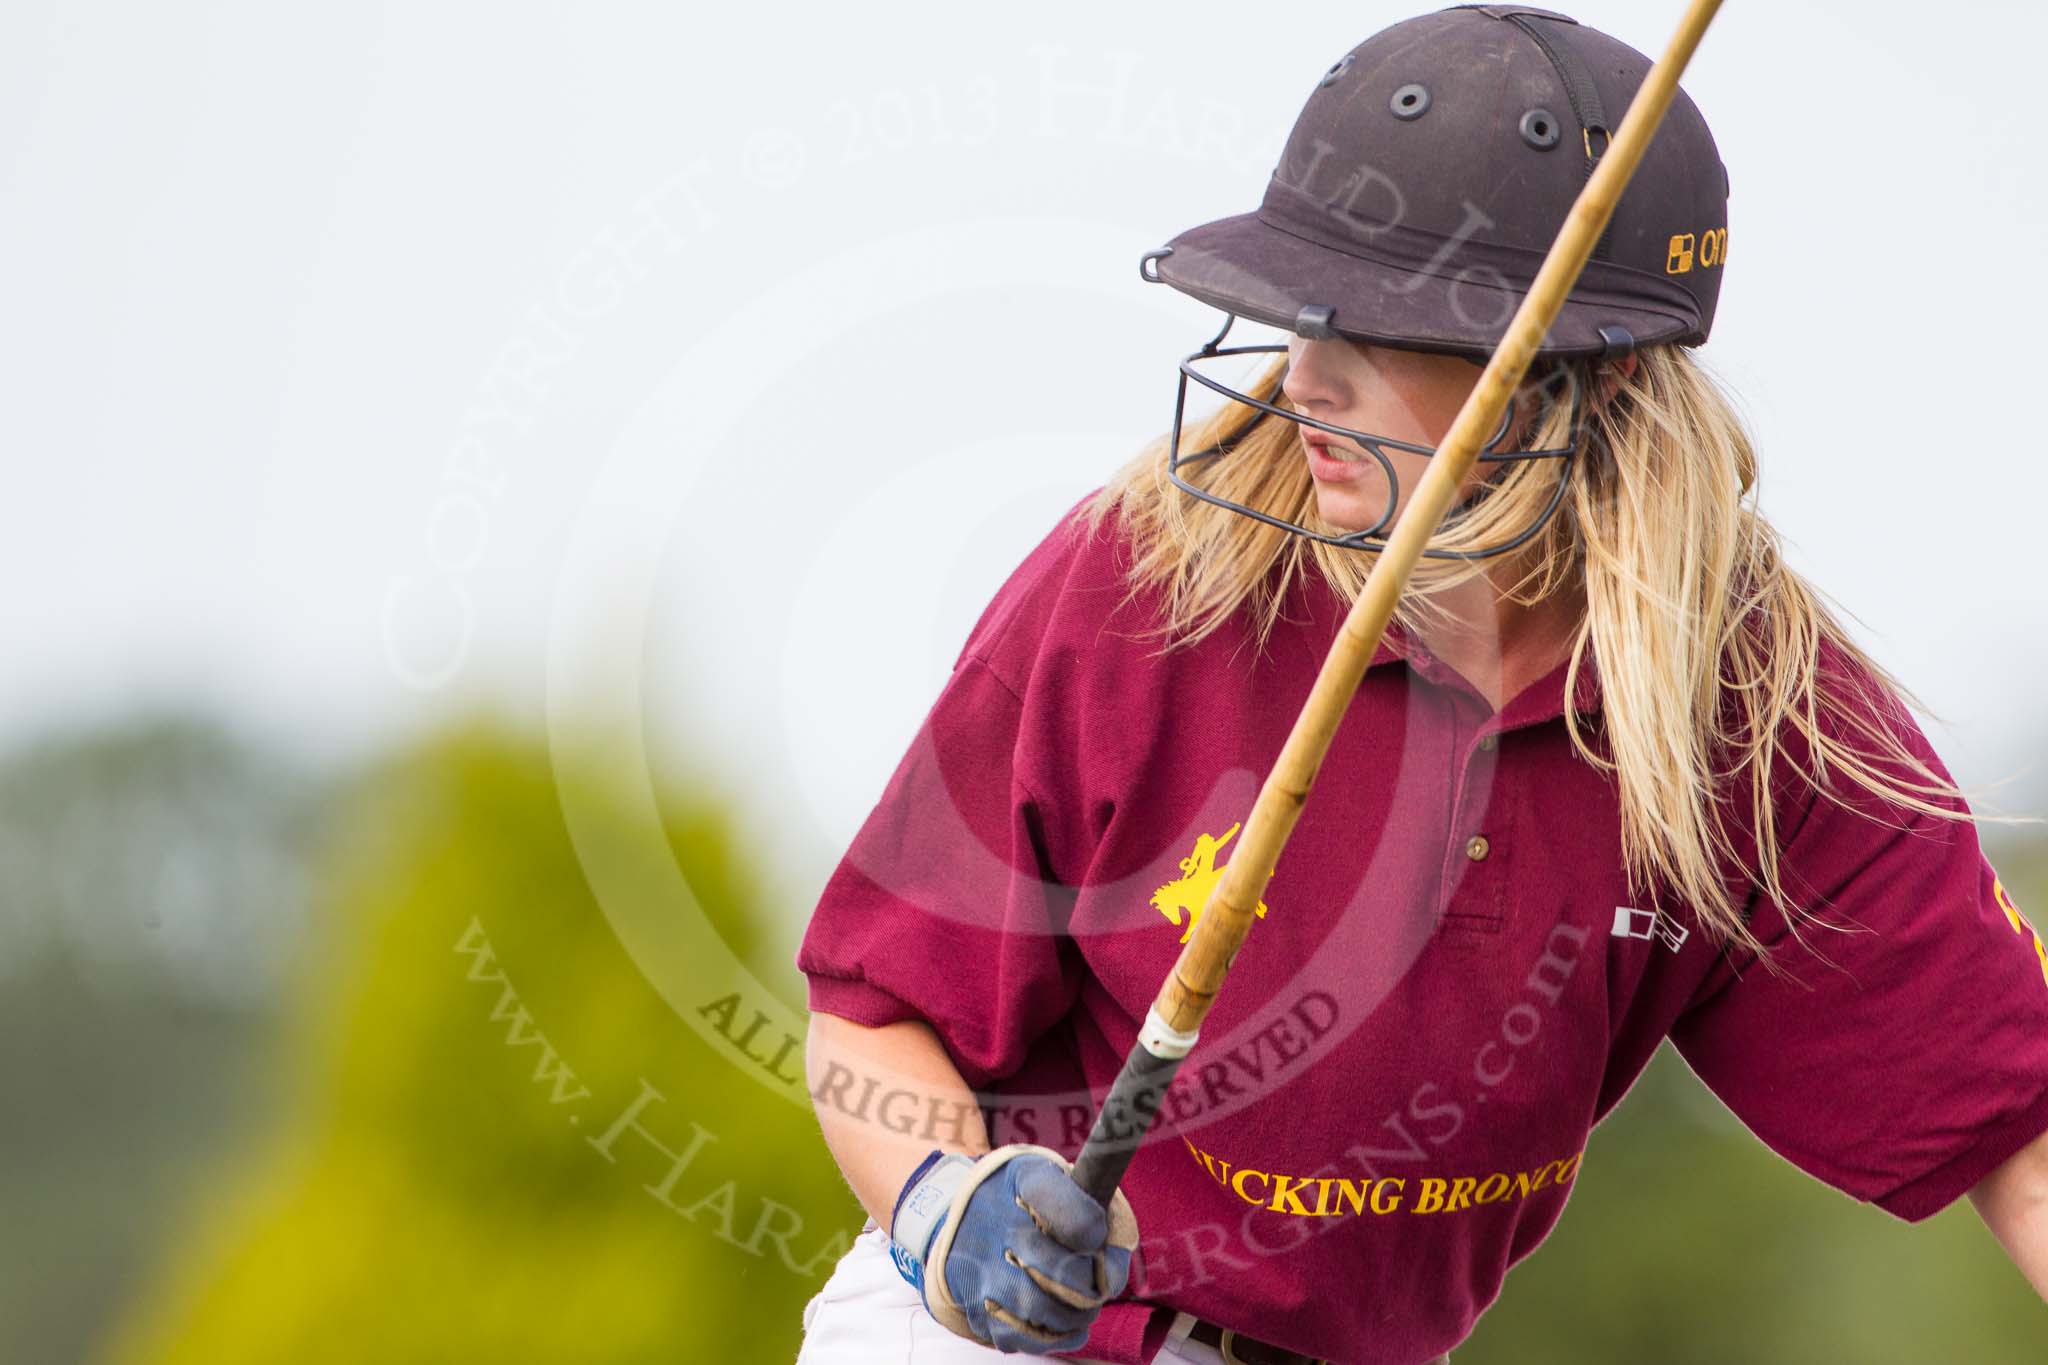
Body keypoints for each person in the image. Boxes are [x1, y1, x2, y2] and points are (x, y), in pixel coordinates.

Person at [792, 7, 2048, 1364]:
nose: (1304, 372)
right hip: (995, 1341)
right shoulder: (1145, 580)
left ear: (1587, 380)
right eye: (1300, 308)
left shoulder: (1749, 708)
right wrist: (943, 1204)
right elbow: (872, 1009)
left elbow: (2019, 1136)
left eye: (1381, 325)